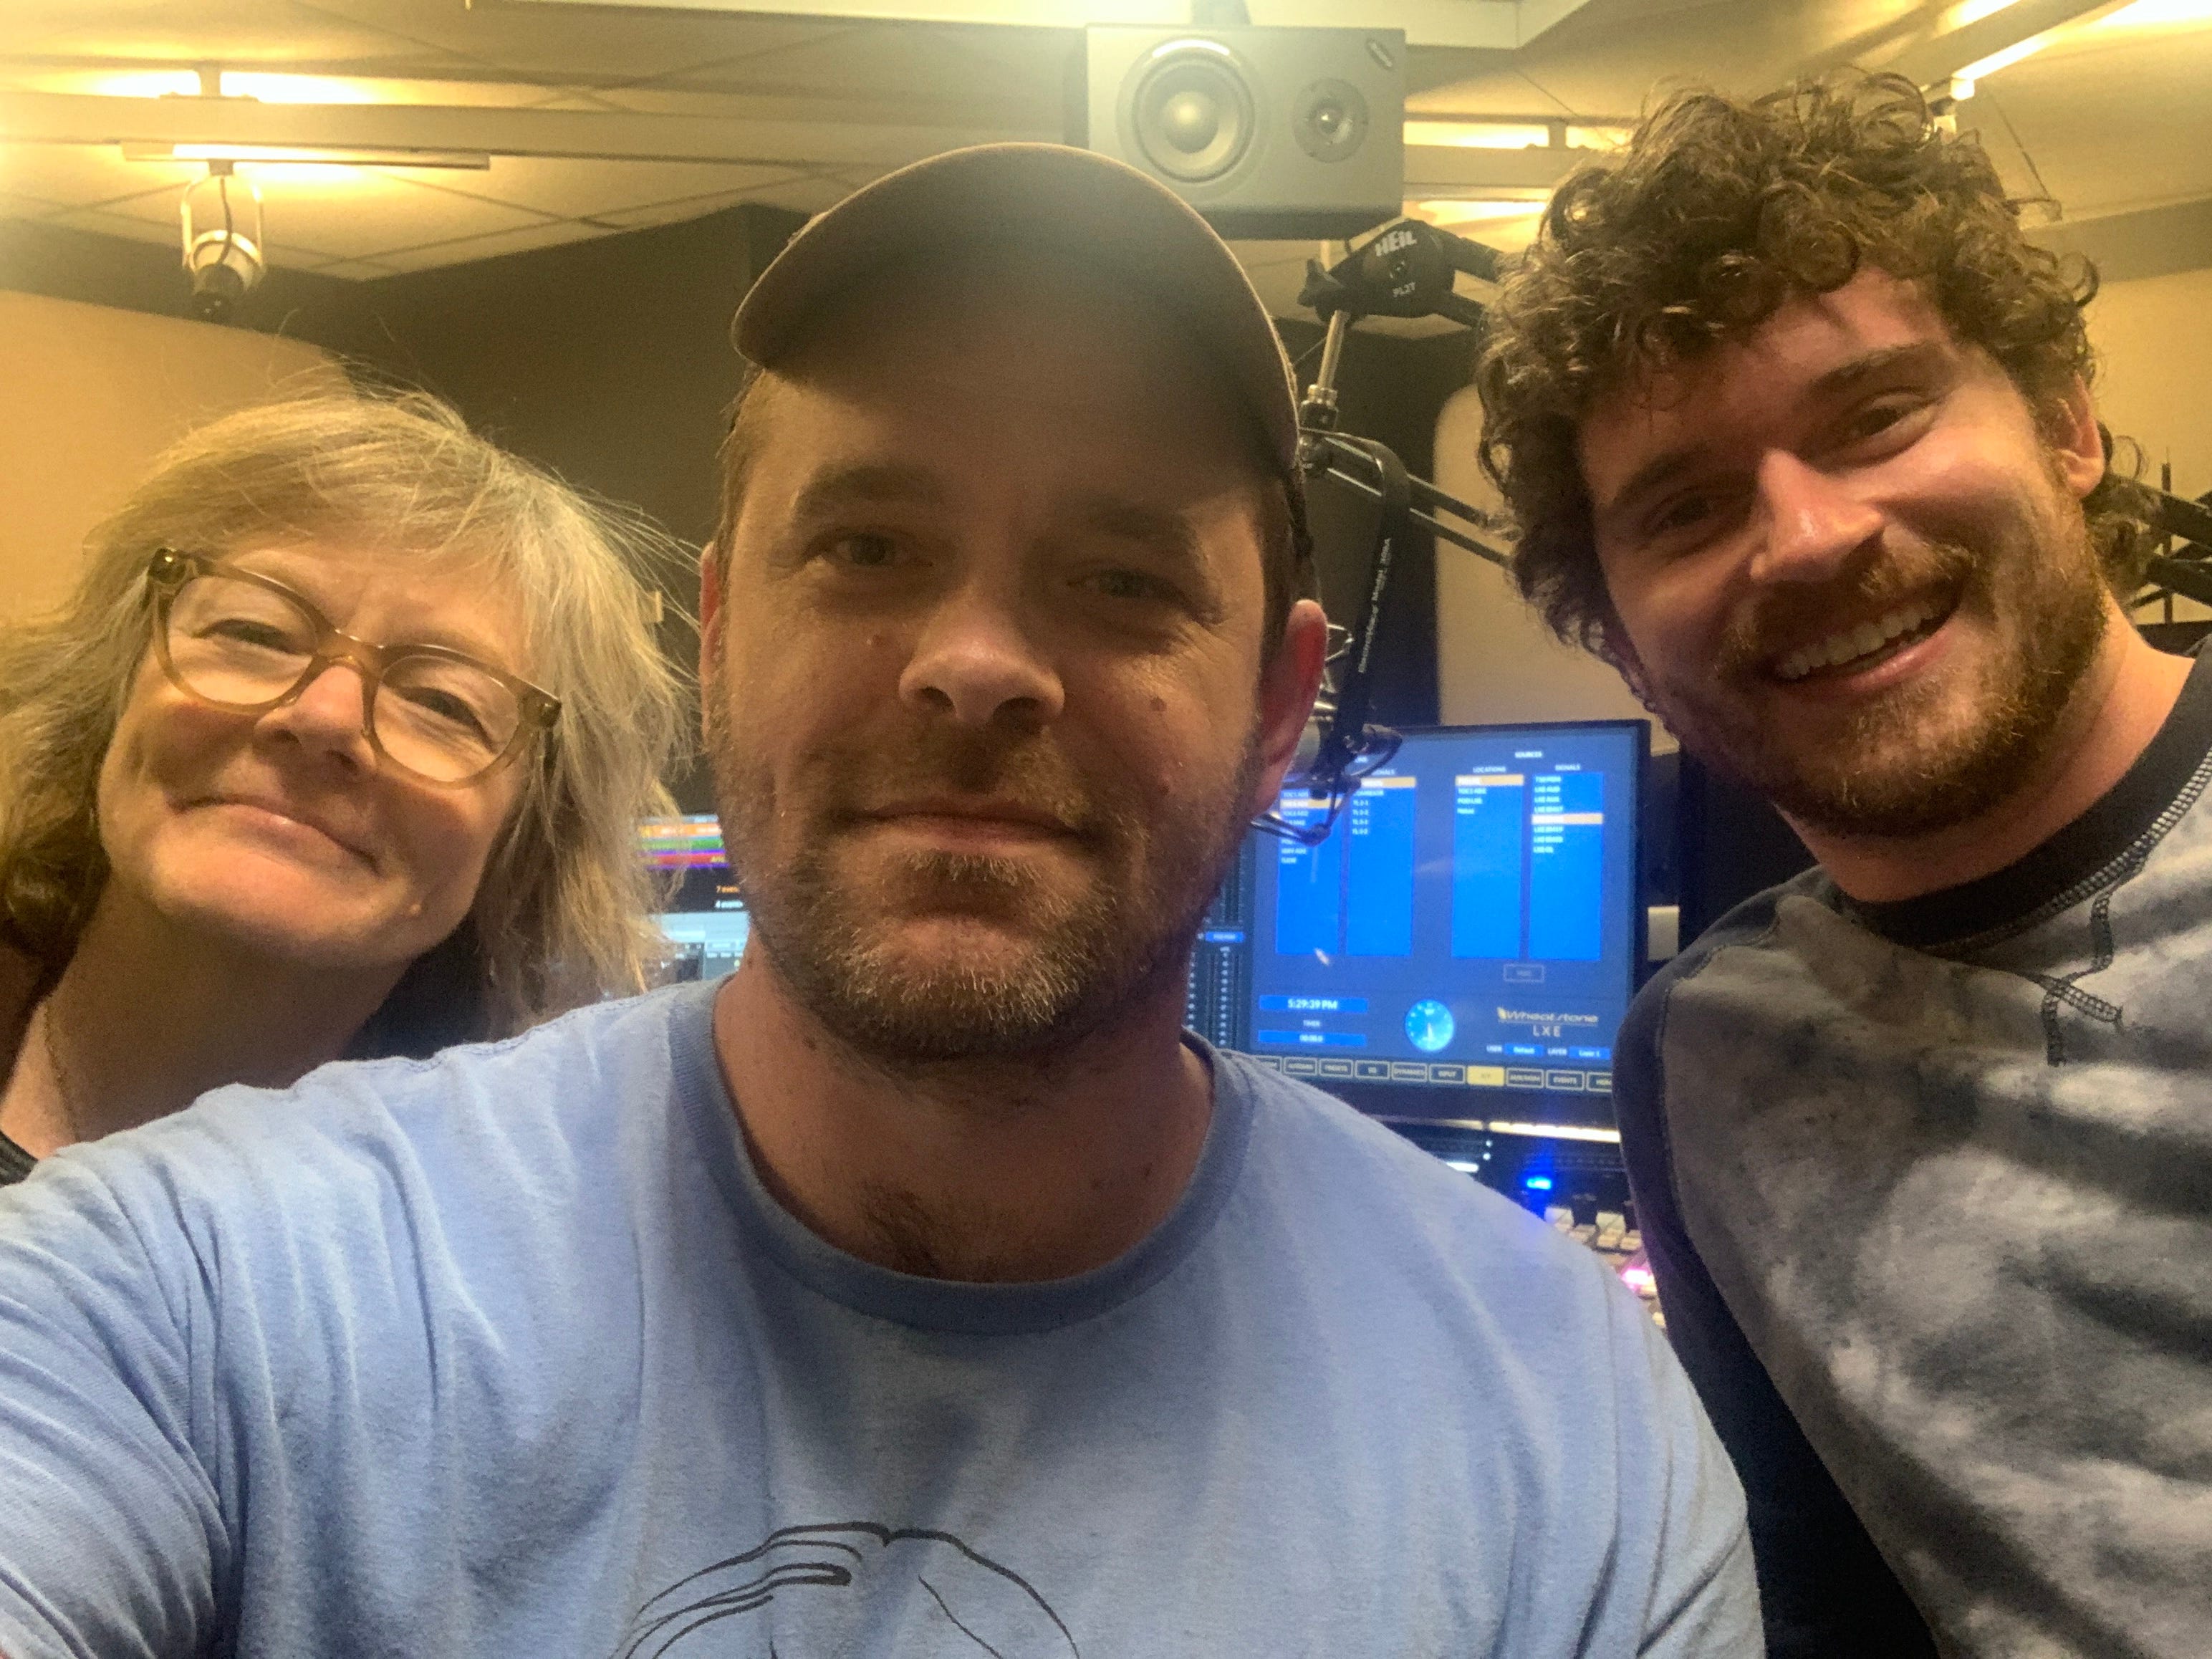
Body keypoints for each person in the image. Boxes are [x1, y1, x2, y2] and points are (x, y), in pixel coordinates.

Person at [0, 145, 1760, 1658]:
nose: (976, 661)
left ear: (1278, 704)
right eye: (867, 548)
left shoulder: (1567, 1435)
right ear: (720, 636)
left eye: (1121, 578)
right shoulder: (193, 1284)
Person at [1475, 73, 2209, 1658]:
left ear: (2065, 425)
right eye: (1684, 507)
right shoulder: (1705, 1061)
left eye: (1873, 418)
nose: (1806, 538)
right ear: (1619, 640)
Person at [0, 390, 686, 1185]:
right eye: (254, 631)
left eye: (443, 703)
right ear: (115, 691)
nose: (322, 717)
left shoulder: (523, 1216)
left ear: (526, 842)